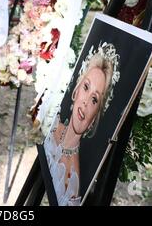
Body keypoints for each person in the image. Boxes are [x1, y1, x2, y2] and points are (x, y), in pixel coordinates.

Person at [44, 43, 119, 206]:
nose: (85, 102)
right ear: (76, 90)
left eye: (94, 99)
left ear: (95, 117)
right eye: (86, 87)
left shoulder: (77, 178)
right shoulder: (53, 126)